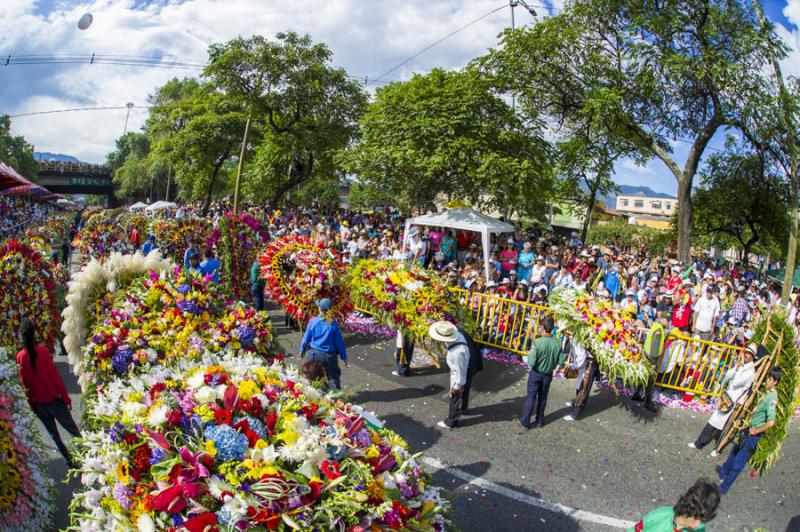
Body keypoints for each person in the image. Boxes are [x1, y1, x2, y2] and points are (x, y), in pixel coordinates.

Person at [15, 318, 81, 467]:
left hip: (39, 404)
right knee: (73, 431)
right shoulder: (43, 351)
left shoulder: (20, 357)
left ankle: (70, 462)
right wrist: (66, 398)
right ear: (34, 334)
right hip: (55, 400)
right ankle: (87, 456)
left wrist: (31, 404)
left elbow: (25, 384)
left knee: (55, 437)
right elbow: (55, 377)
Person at [717, 366, 781, 495]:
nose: (767, 380)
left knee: (738, 462)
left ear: (775, 381)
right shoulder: (768, 394)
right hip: (748, 428)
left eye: (769, 379)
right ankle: (723, 471)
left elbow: (771, 422)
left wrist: (756, 431)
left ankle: (724, 487)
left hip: (753, 434)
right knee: (735, 450)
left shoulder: (772, 398)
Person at [689, 344, 756, 455]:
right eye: (746, 353)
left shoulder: (750, 371)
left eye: (749, 354)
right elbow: (728, 376)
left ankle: (717, 449)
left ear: (752, 357)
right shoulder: (741, 366)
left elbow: (738, 382)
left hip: (736, 401)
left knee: (726, 427)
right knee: (714, 420)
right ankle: (699, 443)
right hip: (727, 397)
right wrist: (736, 369)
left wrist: (739, 370)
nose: (746, 355)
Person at [519, 316, 565, 429]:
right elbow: (561, 361)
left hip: (536, 373)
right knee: (543, 398)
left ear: (543, 327)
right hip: (548, 375)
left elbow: (531, 361)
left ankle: (525, 421)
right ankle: (540, 420)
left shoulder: (538, 342)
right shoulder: (558, 343)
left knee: (531, 397)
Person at [429, 321, 476, 429]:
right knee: (462, 393)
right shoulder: (458, 336)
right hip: (465, 367)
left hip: (459, 374)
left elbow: (461, 371)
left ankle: (452, 421)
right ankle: (463, 408)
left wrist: (457, 387)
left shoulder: (457, 352)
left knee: (455, 397)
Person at [627, 477, 720, 532]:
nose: (698, 524)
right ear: (686, 510)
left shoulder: (700, 529)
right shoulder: (659, 516)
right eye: (696, 518)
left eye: (703, 520)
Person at [300, 298, 348, 390]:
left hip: (313, 354)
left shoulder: (313, 321)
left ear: (319, 308)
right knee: (333, 378)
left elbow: (306, 339)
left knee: (311, 376)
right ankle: (335, 398)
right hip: (329, 356)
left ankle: (311, 396)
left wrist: (302, 350)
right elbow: (339, 342)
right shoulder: (333, 324)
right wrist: (344, 357)